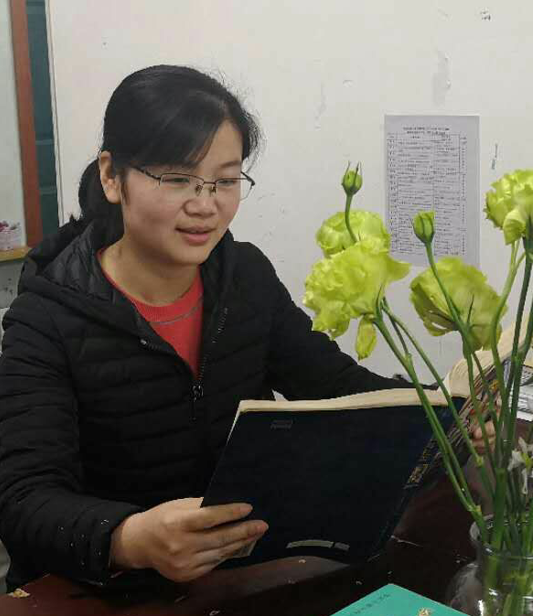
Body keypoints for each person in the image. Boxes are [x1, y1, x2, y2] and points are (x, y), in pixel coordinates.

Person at [0, 65, 491, 591]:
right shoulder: (46, 318)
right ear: (111, 176)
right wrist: (130, 538)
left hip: (239, 577)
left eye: (226, 181)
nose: (205, 205)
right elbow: (24, 500)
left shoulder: (245, 278)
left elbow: (338, 387)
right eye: (177, 179)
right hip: (105, 592)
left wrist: (449, 416)